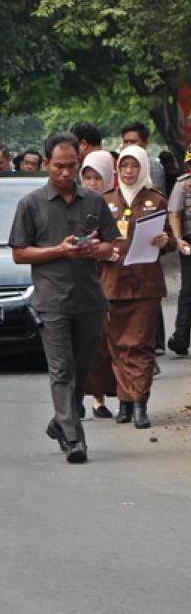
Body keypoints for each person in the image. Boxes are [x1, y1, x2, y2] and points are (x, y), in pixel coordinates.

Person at [7, 131, 120, 464]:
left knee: (83, 369)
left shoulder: (94, 201)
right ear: (46, 165)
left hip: (89, 298)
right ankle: (74, 438)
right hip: (51, 301)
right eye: (59, 166)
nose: (66, 173)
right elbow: (19, 253)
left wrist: (92, 248)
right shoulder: (30, 204)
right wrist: (58, 250)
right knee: (62, 370)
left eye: (72, 166)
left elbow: (112, 245)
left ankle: (60, 421)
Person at [89, 146, 173, 429]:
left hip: (145, 285)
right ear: (117, 170)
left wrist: (166, 242)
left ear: (142, 169)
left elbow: (170, 239)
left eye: (134, 166)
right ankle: (124, 401)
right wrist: (103, 251)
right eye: (124, 166)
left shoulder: (155, 200)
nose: (128, 171)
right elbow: (93, 242)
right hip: (112, 284)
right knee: (117, 346)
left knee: (140, 345)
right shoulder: (106, 201)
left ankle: (139, 403)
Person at [77, 150, 119, 420]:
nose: (92, 183)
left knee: (103, 344)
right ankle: (75, 397)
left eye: (98, 177)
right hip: (79, 281)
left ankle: (99, 398)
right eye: (88, 177)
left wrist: (109, 250)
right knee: (77, 345)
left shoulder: (114, 204)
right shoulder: (76, 205)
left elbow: (117, 240)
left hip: (111, 282)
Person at [167, 150, 191, 356]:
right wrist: (178, 238)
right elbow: (175, 214)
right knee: (188, 290)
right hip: (190, 242)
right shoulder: (183, 185)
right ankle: (181, 336)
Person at [120, 120, 166, 195]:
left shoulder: (152, 165)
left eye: (133, 142)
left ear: (145, 143)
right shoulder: (121, 163)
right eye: (126, 142)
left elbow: (156, 196)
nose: (128, 145)